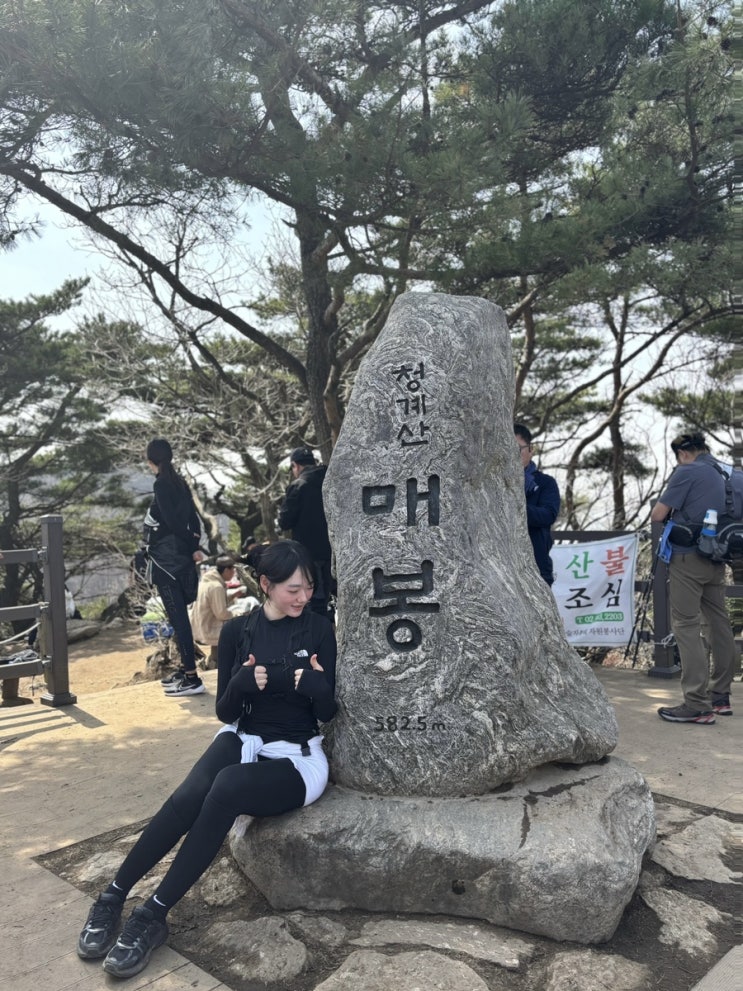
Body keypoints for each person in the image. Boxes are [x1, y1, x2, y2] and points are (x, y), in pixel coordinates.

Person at [76, 540, 337, 980]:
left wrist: (315, 685)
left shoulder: (319, 629)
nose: (303, 597)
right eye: (294, 589)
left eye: (308, 587)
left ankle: (153, 914)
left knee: (227, 786)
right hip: (244, 735)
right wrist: (239, 683)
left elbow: (327, 712)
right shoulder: (237, 632)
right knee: (191, 792)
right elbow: (225, 712)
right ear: (266, 584)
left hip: (298, 757)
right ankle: (113, 895)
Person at [650, 432, 740, 724]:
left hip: (688, 557)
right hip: (718, 557)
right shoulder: (729, 472)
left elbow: (658, 514)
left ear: (683, 453)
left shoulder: (687, 471)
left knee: (686, 626)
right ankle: (720, 697)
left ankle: (696, 704)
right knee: (719, 624)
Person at [143, 438, 205, 697]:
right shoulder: (180, 482)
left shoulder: (161, 484)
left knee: (178, 620)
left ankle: (191, 677)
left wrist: (190, 543)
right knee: (180, 620)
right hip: (182, 560)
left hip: (167, 564)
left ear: (150, 461)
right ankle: (185, 669)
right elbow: (193, 519)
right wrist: (194, 545)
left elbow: (171, 522)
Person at [277, 446, 333, 615]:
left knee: (310, 601)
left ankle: (316, 631)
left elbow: (285, 522)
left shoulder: (298, 485)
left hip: (307, 553)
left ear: (295, 465)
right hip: (332, 551)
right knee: (330, 601)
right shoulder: (330, 480)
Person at [514, 423, 561, 586]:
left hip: (537, 566)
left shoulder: (545, 483)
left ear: (531, 450)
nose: (512, 454)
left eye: (518, 449)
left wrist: (514, 509)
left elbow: (548, 515)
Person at [190, 554, 251, 668]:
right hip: (209, 627)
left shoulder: (207, 581)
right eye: (233, 570)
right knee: (243, 624)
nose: (234, 573)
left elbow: (214, 603)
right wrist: (241, 614)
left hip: (201, 626)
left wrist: (232, 596)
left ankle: (214, 660)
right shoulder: (216, 586)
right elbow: (222, 614)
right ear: (227, 570)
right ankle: (227, 661)